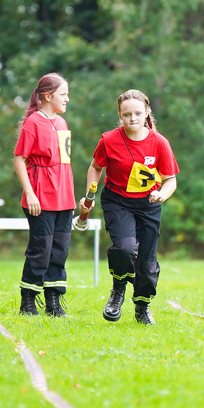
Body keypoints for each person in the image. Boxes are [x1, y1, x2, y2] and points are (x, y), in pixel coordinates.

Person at [81, 89, 179, 326]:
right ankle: (118, 289)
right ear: (120, 116)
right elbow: (95, 167)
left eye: (137, 113)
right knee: (125, 249)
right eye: (127, 114)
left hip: (148, 205)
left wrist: (161, 195)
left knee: (147, 262)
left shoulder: (159, 142)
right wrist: (89, 194)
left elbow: (170, 180)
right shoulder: (109, 140)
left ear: (147, 113)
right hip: (117, 202)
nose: (132, 118)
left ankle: (142, 307)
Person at [13, 73, 75, 317]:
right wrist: (30, 194)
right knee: (41, 249)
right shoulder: (33, 122)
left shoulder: (62, 123)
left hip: (64, 197)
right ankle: (28, 302)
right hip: (40, 196)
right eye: (63, 94)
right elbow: (19, 158)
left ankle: (54, 303)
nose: (67, 99)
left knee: (60, 250)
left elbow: (64, 163)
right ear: (48, 96)